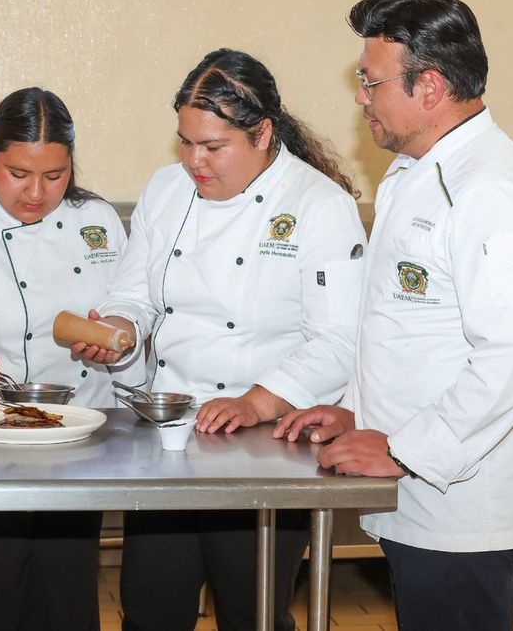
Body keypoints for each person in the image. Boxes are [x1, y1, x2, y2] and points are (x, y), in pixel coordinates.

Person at [275, 0, 513, 631]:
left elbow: (510, 358)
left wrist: (404, 451)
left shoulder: (491, 191)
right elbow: (401, 328)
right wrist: (356, 409)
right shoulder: (416, 173)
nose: (361, 98)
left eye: (370, 82)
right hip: (416, 487)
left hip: (458, 501)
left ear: (428, 86)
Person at [74, 48, 367, 631]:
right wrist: (120, 330)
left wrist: (254, 401)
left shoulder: (318, 206)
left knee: (251, 612)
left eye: (212, 146)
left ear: (263, 133)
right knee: (151, 609)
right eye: (185, 143)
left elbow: (338, 340)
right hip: (170, 434)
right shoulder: (167, 190)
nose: (194, 161)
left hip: (266, 444)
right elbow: (133, 292)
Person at [0, 87, 140, 631]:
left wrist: (116, 336)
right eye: (18, 174)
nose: (37, 193)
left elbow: (130, 306)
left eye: (54, 175)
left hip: (75, 443)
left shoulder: (97, 220)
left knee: (61, 600)